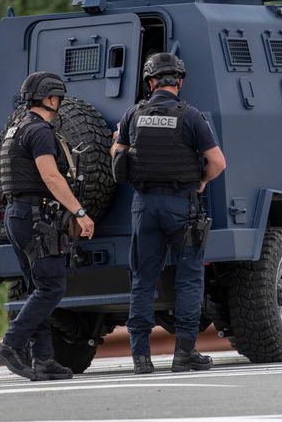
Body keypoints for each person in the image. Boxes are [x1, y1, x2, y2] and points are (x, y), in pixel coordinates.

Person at [111, 52, 226, 374]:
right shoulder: (190, 116)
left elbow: (117, 161)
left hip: (144, 205)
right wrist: (201, 181)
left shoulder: (133, 115)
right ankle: (184, 354)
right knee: (189, 280)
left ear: (150, 82)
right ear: (180, 81)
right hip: (181, 205)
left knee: (142, 280)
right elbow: (218, 163)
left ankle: (141, 358)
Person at [0, 71, 95, 380]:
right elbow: (50, 177)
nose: (59, 104)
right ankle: (9, 345)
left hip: (17, 215)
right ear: (49, 99)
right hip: (36, 217)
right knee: (51, 287)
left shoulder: (15, 130)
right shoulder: (40, 132)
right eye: (58, 98)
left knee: (38, 288)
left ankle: (44, 359)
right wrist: (78, 212)